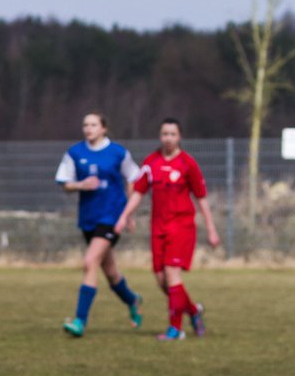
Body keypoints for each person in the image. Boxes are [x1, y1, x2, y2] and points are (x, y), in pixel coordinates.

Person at [115, 118, 221, 341]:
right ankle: (193, 311)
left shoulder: (187, 164)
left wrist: (211, 229)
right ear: (160, 136)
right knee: (162, 279)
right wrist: (125, 216)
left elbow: (201, 198)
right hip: (158, 227)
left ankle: (175, 329)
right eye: (165, 134)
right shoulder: (151, 162)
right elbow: (138, 193)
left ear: (179, 137)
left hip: (181, 226)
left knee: (172, 273)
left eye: (173, 134)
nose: (168, 138)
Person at [54, 112, 142, 338]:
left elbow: (134, 179)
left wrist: (129, 213)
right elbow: (65, 184)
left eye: (93, 124)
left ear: (104, 128)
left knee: (90, 261)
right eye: (85, 124)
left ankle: (79, 321)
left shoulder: (118, 153)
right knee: (110, 272)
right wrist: (80, 185)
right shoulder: (75, 153)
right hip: (88, 219)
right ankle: (132, 300)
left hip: (112, 217)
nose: (88, 128)